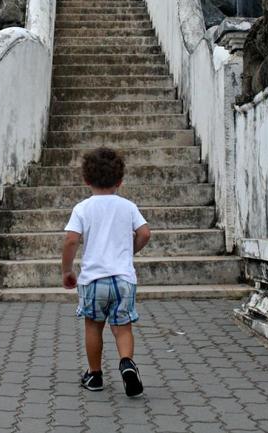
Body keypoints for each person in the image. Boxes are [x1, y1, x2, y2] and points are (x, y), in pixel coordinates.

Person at [61, 147, 151, 397]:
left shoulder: (82, 208)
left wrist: (67, 270)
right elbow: (145, 233)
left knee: (93, 327)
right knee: (123, 327)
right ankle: (126, 364)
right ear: (120, 181)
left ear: (86, 179)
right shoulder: (128, 206)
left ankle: (95, 375)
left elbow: (71, 240)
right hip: (123, 279)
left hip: (94, 280)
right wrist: (129, 251)